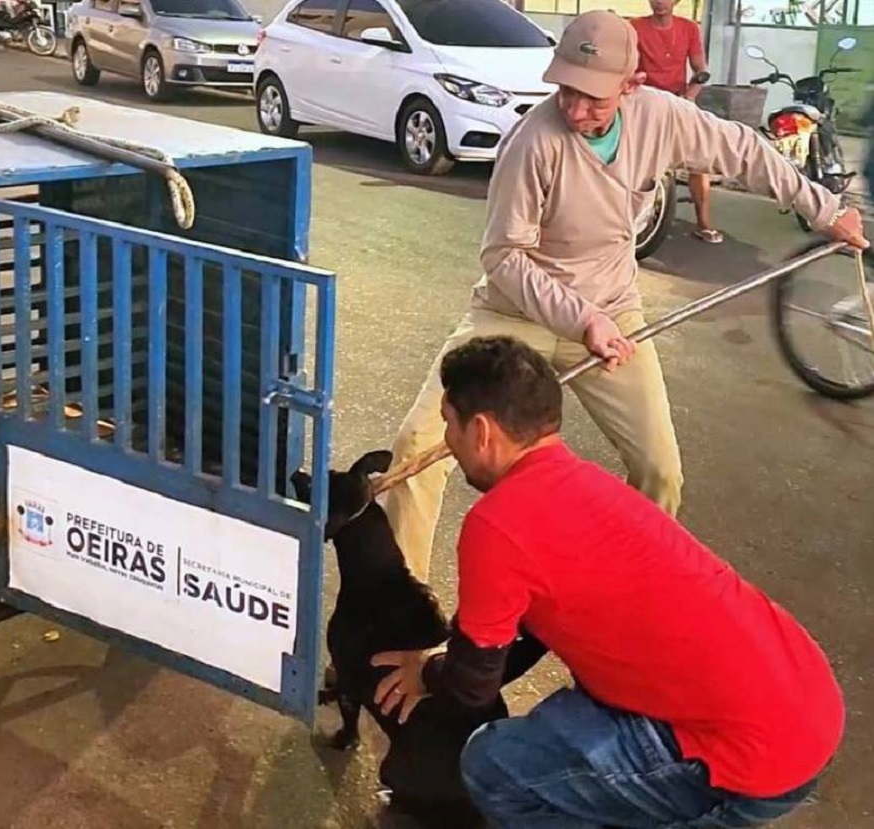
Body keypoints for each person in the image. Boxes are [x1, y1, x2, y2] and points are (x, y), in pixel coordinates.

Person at [383, 10, 869, 583]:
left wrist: (826, 210)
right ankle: (403, 613)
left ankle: (623, 592)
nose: (575, 110)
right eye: (566, 91)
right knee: (416, 449)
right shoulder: (533, 141)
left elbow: (743, 149)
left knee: (660, 472)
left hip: (612, 310)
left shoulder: (660, 117)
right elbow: (504, 257)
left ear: (632, 84)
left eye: (593, 98)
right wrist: (581, 318)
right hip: (515, 312)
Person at [372, 335, 846, 829]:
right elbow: (521, 633)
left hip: (746, 764)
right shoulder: (589, 485)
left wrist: (430, 674)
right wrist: (450, 659)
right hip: (806, 705)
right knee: (571, 718)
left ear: (481, 431)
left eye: (449, 423)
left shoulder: (498, 524)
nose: (447, 441)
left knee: (494, 766)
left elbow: (471, 685)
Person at [630, 0, 722, 244]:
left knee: (699, 159)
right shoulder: (635, 27)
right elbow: (627, 65)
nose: (660, 1)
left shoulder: (688, 28)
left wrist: (690, 96)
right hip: (644, 101)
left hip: (679, 100)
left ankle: (703, 222)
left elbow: (700, 69)